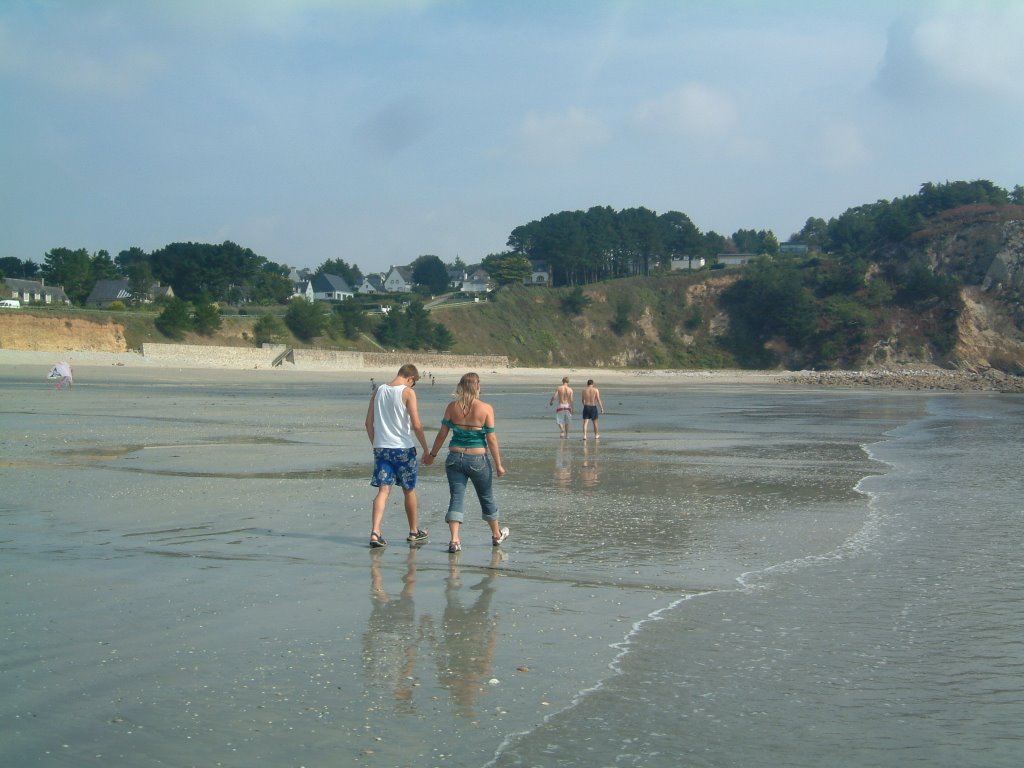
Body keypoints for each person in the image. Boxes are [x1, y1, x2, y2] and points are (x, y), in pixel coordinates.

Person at [426, 372, 509, 554]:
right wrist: (498, 464)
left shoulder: (452, 407)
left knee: (456, 497)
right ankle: (496, 535)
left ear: (461, 386)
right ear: (477, 386)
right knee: (486, 496)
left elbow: (442, 434)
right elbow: (491, 438)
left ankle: (455, 540)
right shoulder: (486, 408)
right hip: (478, 459)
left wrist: (432, 454)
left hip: (455, 458)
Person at [365, 364, 431, 548]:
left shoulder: (378, 390)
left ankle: (375, 532)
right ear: (410, 378)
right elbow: (416, 424)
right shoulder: (408, 393)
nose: (412, 386)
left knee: (383, 490)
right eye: (413, 383)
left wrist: (376, 444)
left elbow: (368, 423)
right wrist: (426, 448)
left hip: (381, 448)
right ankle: (413, 531)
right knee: (408, 489)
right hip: (403, 449)